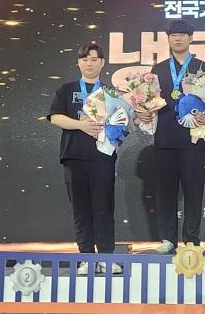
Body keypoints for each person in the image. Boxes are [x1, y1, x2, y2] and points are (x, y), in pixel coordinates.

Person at [136, 19, 205, 254]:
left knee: (193, 191)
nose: (177, 39)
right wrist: (144, 113)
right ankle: (168, 238)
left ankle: (191, 239)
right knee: (165, 191)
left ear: (191, 38)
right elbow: (148, 102)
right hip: (165, 139)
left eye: (182, 35)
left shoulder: (202, 67)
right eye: (173, 35)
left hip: (193, 139)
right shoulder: (157, 70)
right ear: (168, 39)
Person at [48, 42, 122, 275]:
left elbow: (122, 121)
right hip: (74, 157)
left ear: (102, 63)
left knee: (104, 208)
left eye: (94, 59)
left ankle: (106, 257)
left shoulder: (111, 93)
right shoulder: (66, 89)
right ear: (78, 63)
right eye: (85, 59)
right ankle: (86, 259)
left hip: (103, 157)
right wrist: (81, 125)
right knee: (81, 210)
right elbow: (55, 117)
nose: (89, 64)